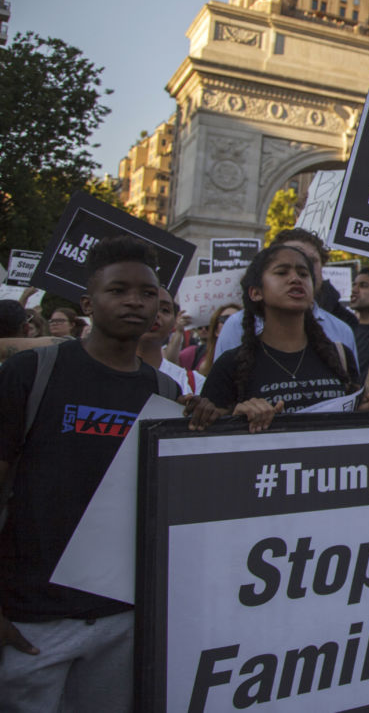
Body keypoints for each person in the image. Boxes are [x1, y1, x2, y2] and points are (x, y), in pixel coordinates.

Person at [0, 236, 189, 711]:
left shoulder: (166, 391)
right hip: (31, 621)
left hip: (121, 621)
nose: (135, 302)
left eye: (148, 294)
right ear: (88, 303)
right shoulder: (32, 371)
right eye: (118, 290)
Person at [201, 244, 369, 432]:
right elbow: (208, 441)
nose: (295, 279)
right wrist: (236, 419)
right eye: (282, 273)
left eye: (303, 274)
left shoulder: (339, 357)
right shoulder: (230, 365)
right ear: (256, 292)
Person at [212, 229, 357, 368]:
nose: (296, 275)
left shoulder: (341, 331)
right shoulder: (236, 326)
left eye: (310, 261)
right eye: (283, 270)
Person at [136, 287, 205, 395]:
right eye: (145, 306)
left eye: (165, 310)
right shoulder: (101, 375)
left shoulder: (193, 382)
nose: (156, 314)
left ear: (174, 323)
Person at [180, 304, 240, 375]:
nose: (232, 323)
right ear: (216, 331)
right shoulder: (204, 366)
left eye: (239, 319)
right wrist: (178, 332)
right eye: (225, 319)